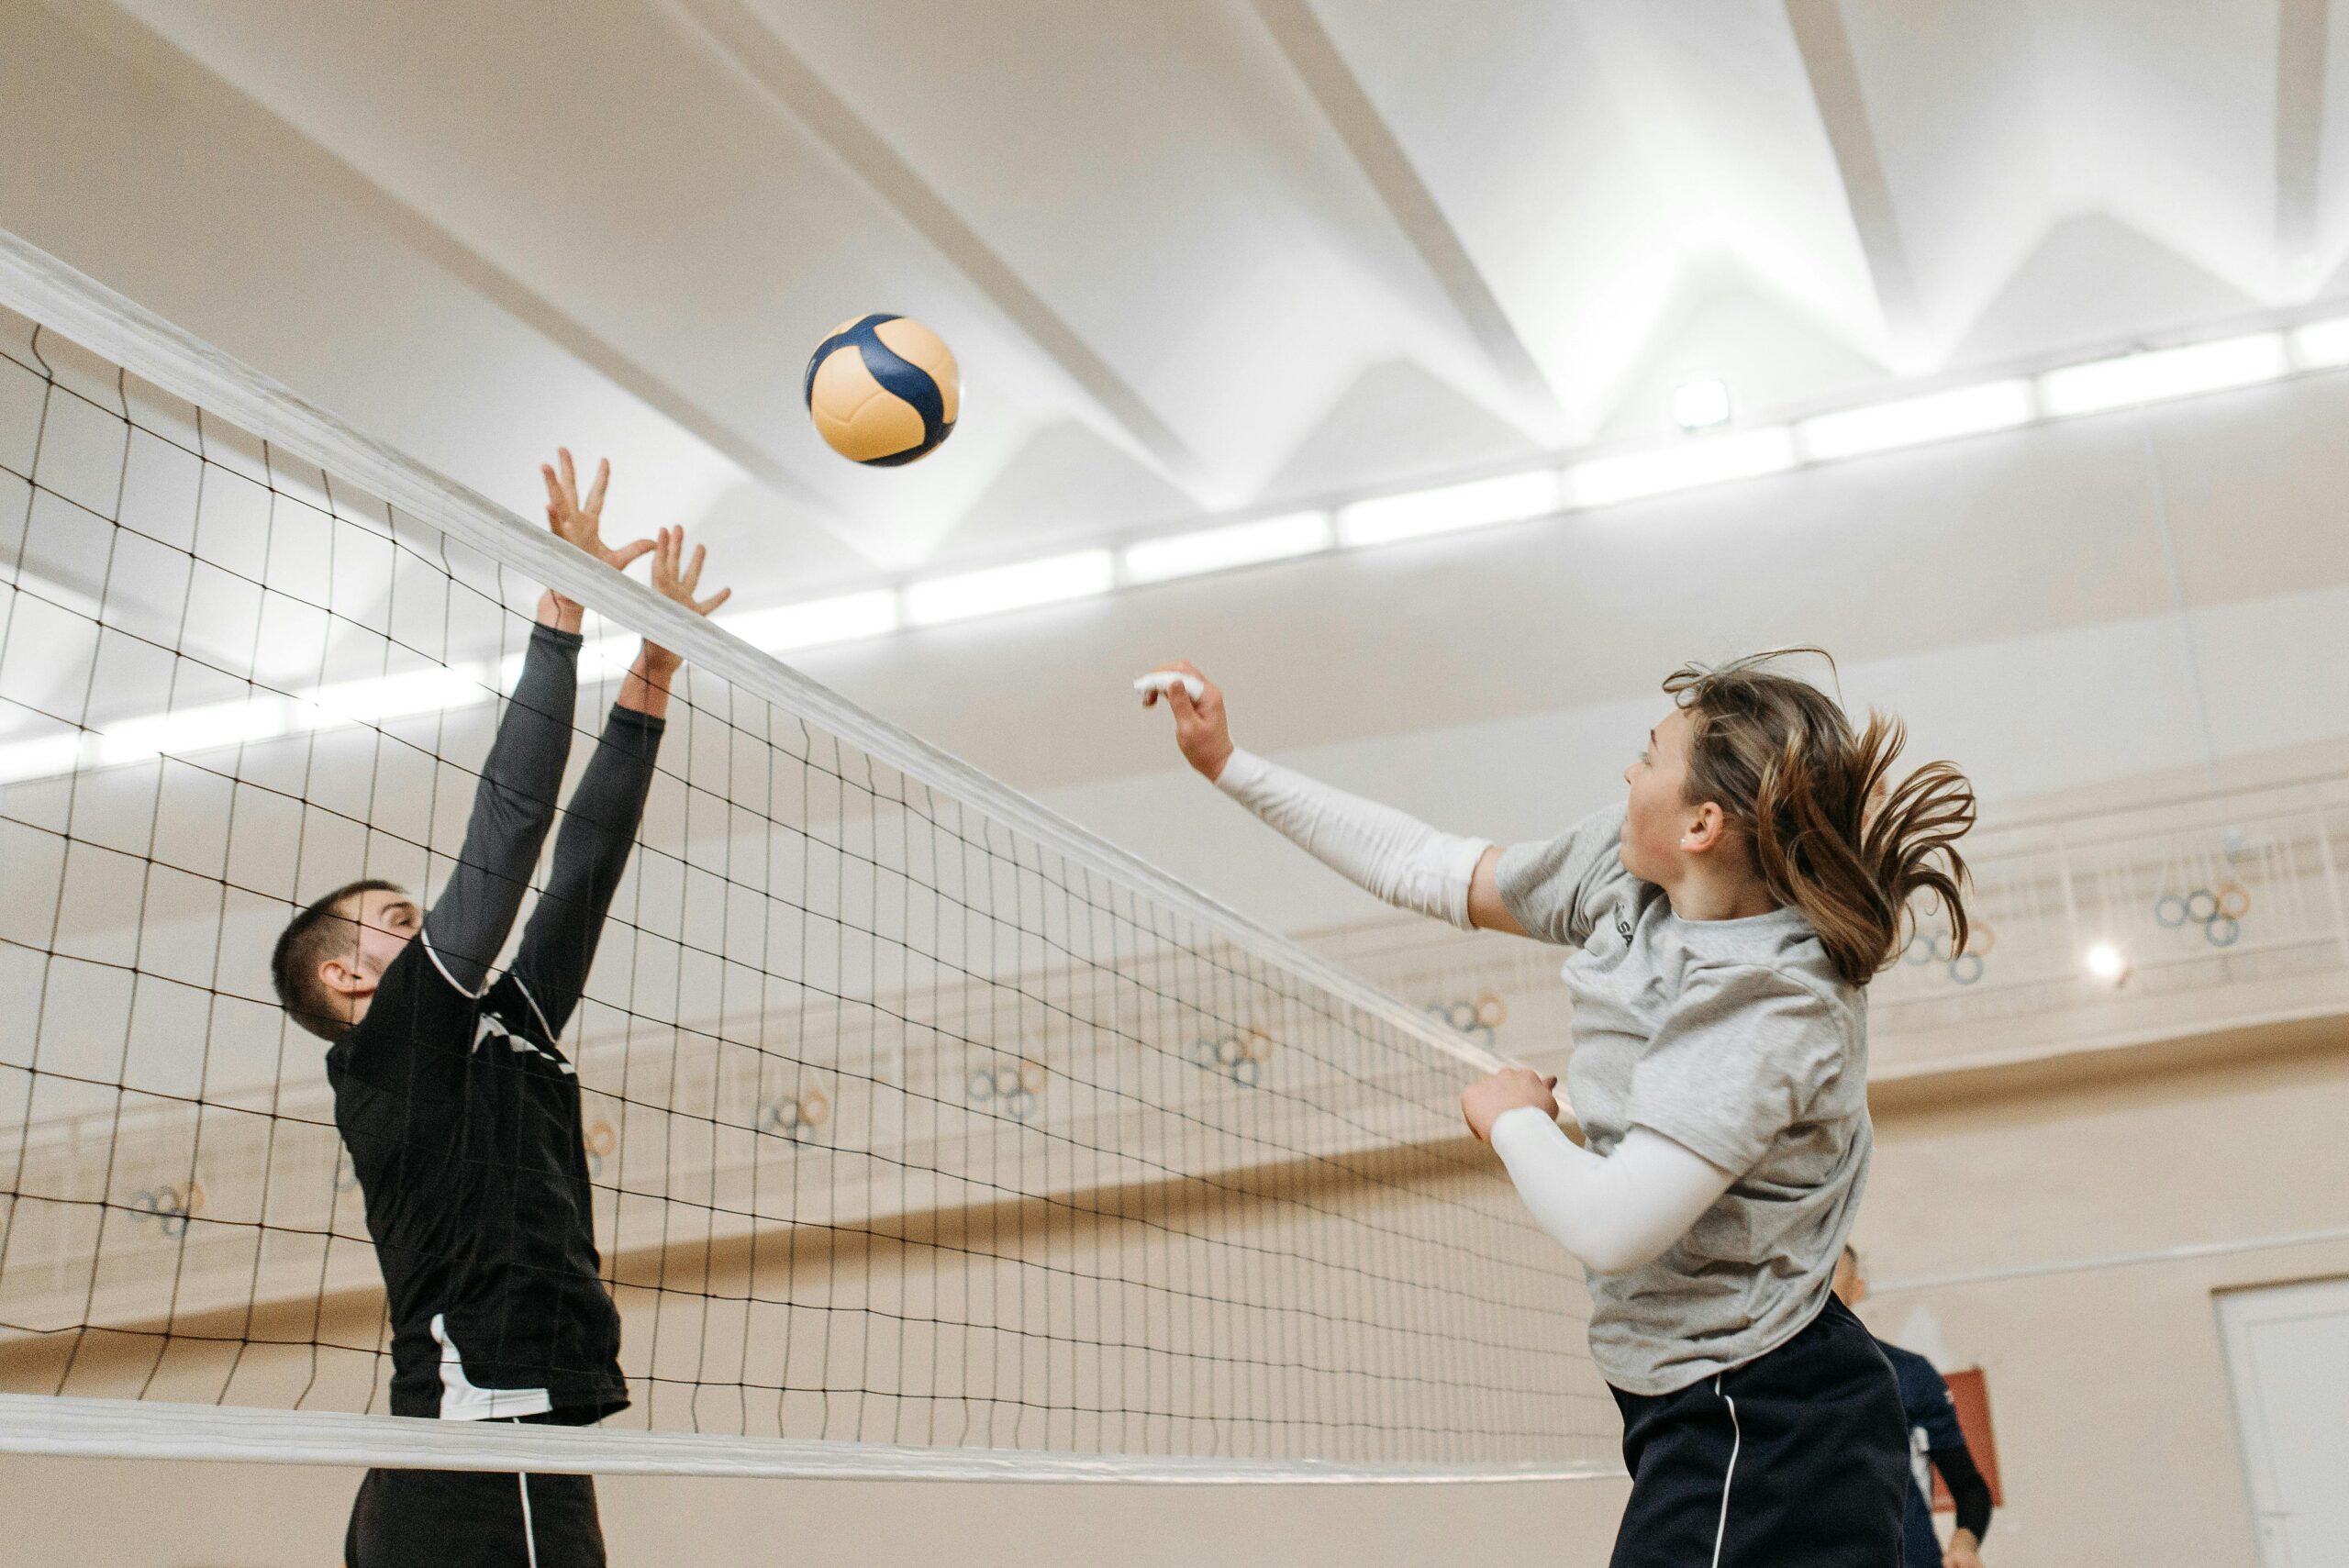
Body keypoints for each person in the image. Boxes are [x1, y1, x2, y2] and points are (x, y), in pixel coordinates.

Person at [1143, 650, 1975, 1566]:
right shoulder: (1630, 876)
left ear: (1702, 822)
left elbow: (1611, 1224)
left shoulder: (1770, 1002)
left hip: (1765, 1415)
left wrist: (1514, 1118)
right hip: (1708, 1401)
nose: (1629, 771)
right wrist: (1229, 763)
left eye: (1650, 756)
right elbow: (1429, 866)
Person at [269, 451, 729, 1568]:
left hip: (498, 1450)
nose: (428, 924)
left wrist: (652, 672)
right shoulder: (389, 1048)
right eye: (396, 919)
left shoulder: (508, 1026)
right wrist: (560, 614)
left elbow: (583, 868)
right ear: (348, 979)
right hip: (482, 1447)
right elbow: (509, 827)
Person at [1834, 1245, 1996, 1568]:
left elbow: (1969, 1487)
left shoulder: (1906, 1374)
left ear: (1856, 1289)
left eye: (1830, 1278)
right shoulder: (1760, 1381)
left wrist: (1964, 1543)